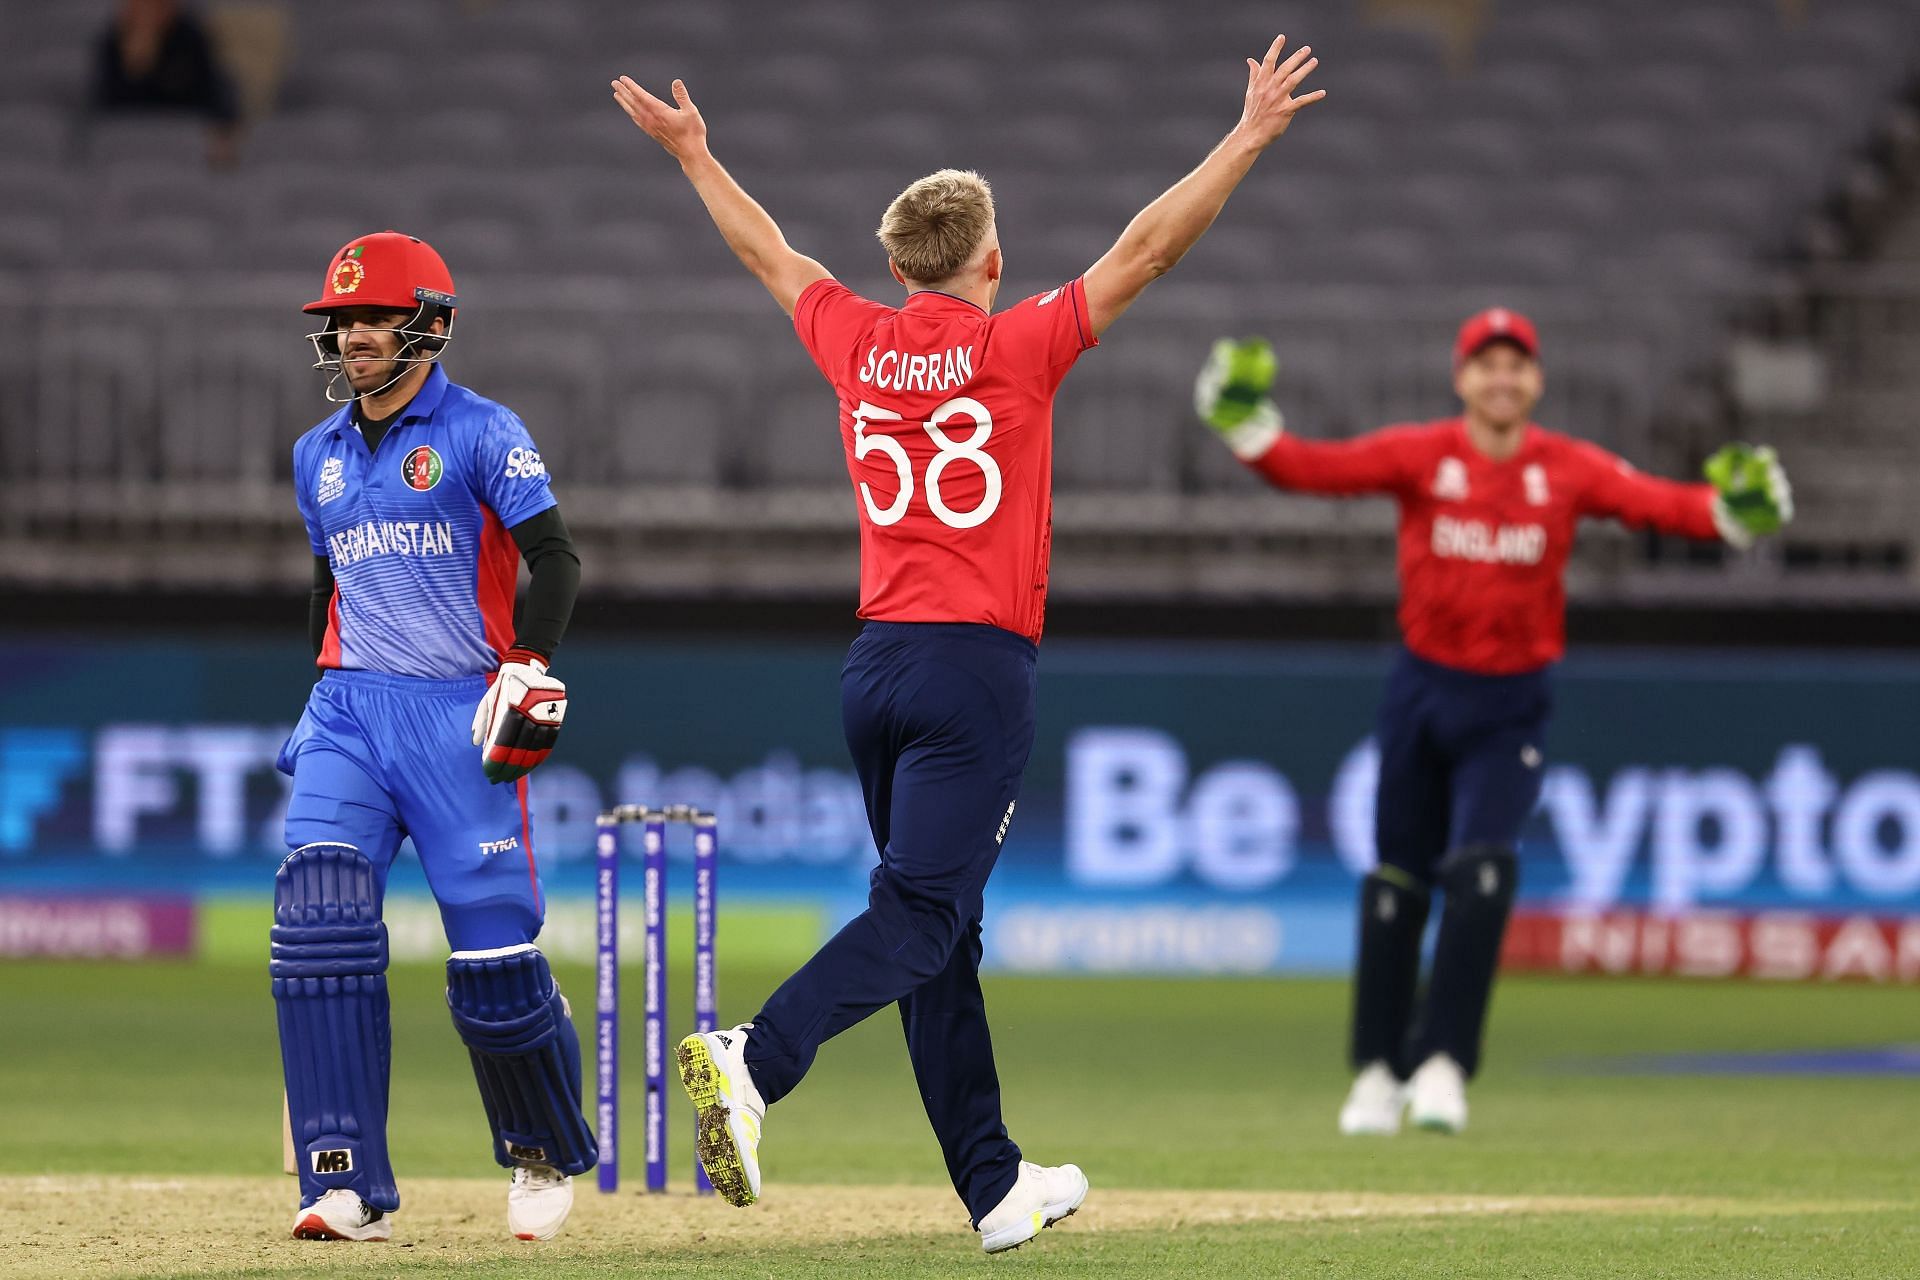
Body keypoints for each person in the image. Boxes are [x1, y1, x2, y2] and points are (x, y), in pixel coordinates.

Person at [611, 34, 1324, 1253]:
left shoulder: (856, 336)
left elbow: (768, 256)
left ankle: (994, 1184)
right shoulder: (1017, 345)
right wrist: (1250, 134)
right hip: (973, 671)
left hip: (875, 666)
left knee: (944, 931)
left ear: (894, 267)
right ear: (993, 261)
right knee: (922, 915)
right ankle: (751, 1056)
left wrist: (696, 155)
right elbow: (1147, 250)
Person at [1194, 310, 1793, 1135]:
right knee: (1396, 884)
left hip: (1511, 703)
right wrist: (1249, 429)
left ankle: (1442, 1065)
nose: (1502, 378)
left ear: (1536, 382)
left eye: (1517, 365)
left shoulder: (1566, 467)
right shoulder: (1421, 455)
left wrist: (1734, 514)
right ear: (1462, 378)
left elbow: (1655, 504)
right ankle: (1376, 1071)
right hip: (1421, 692)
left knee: (1481, 874)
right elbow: (1315, 470)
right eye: (1487, 364)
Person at [273, 230, 590, 1242]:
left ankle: (539, 1153)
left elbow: (558, 557)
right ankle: (345, 1181)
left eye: (373, 317)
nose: (354, 335)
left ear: (429, 325)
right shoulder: (313, 456)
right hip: (350, 709)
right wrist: (321, 682)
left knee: (491, 963)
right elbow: (329, 584)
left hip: (459, 716)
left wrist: (528, 665)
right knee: (318, 914)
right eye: (343, 320)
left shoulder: (483, 430)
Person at [91, 0, 242, 168]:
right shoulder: (114, 40)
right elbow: (106, 106)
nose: (149, 10)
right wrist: (136, 68)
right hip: (129, 150)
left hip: (188, 144)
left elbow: (215, 95)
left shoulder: (191, 37)